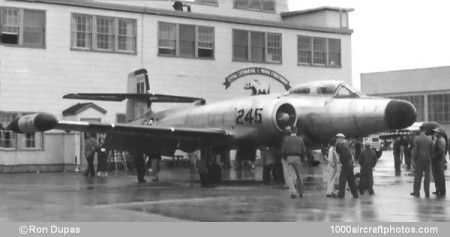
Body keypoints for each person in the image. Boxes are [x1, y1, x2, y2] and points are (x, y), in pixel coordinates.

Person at [280, 126, 306, 199]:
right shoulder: (300, 139)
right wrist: (302, 159)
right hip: (297, 158)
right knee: (299, 176)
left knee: (290, 176)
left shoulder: (286, 139)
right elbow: (304, 151)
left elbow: (282, 151)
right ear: (296, 131)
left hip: (289, 158)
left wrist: (286, 158)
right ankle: (300, 192)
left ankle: (293, 192)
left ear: (291, 131)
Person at [411, 126, 433, 197]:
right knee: (427, 177)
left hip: (419, 160)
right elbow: (431, 151)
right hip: (427, 159)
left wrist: (413, 159)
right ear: (425, 130)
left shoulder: (417, 139)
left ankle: (416, 191)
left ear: (420, 130)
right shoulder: (429, 139)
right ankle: (427, 191)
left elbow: (415, 150)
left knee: (418, 176)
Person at [335, 133, 359, 199]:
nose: (337, 139)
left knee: (342, 180)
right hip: (350, 164)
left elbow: (344, 155)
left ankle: (341, 195)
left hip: (346, 165)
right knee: (351, 180)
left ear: (341, 138)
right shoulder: (345, 145)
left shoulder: (342, 145)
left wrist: (342, 163)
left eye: (338, 138)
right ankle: (355, 194)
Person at [431, 127, 446, 196]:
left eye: (436, 132)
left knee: (438, 175)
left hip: (438, 160)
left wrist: (433, 157)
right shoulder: (441, 139)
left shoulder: (439, 140)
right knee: (439, 175)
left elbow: (440, 151)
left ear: (439, 133)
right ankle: (439, 189)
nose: (435, 133)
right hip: (439, 160)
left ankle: (440, 190)